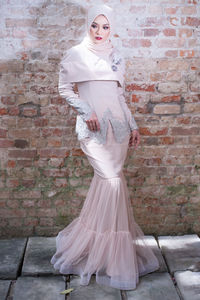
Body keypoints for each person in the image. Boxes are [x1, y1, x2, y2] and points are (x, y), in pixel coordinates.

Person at [50, 4, 160, 290]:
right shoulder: (76, 53)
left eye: (106, 26)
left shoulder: (116, 57)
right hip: (93, 130)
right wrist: (86, 110)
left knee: (113, 184)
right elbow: (64, 90)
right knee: (110, 183)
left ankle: (111, 256)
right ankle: (101, 250)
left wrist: (133, 125)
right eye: (95, 25)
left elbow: (119, 96)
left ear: (112, 28)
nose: (100, 32)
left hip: (119, 130)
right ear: (88, 25)